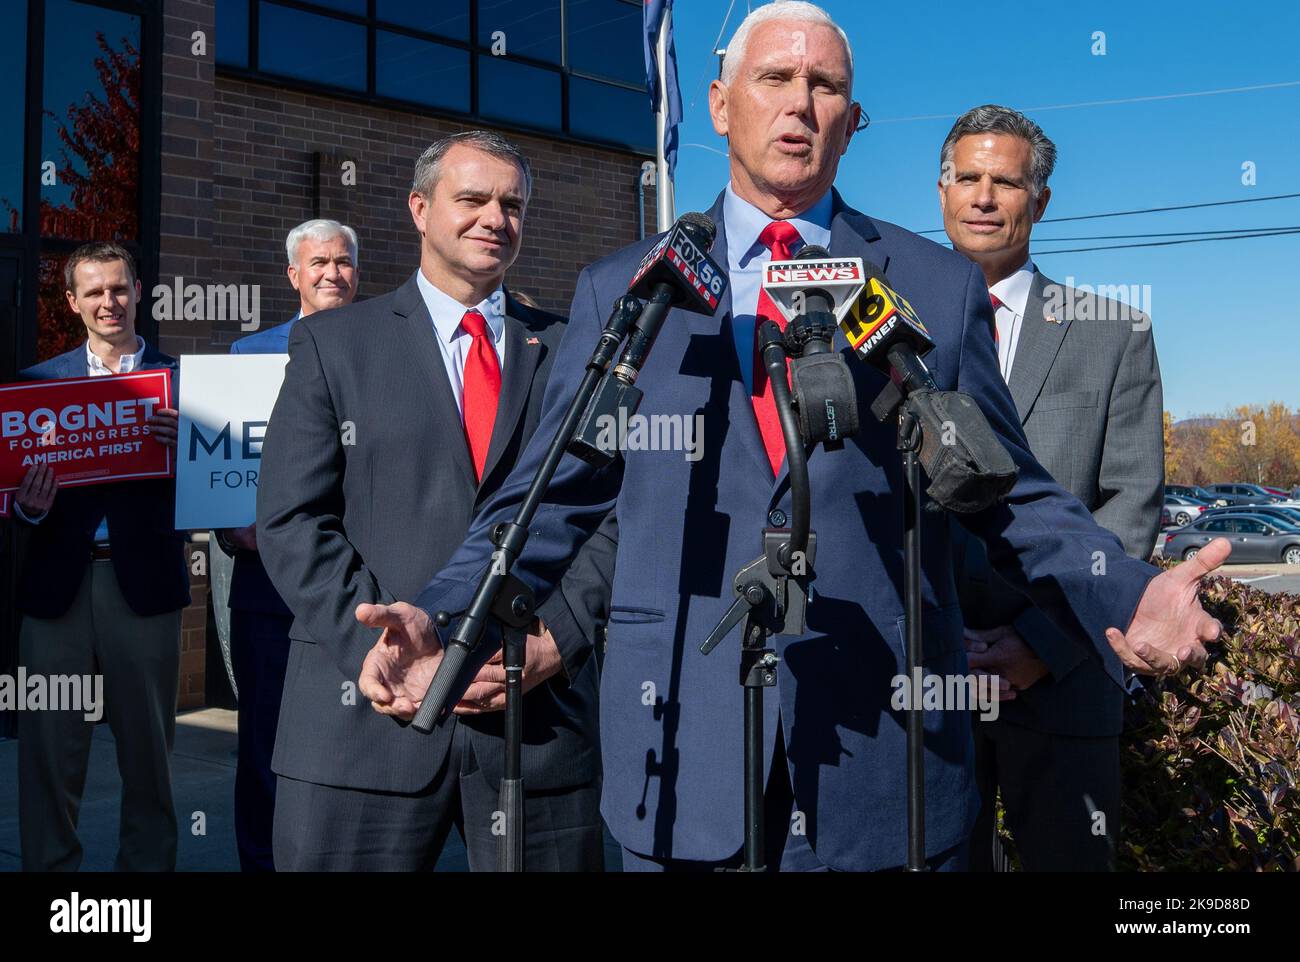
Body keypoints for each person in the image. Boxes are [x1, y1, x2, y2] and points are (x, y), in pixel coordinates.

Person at [357, 2, 1226, 872]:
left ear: (850, 124)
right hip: (679, 759)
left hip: (886, 763)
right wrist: (440, 616)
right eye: (774, 78)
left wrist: (1129, 592)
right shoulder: (625, 288)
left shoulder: (934, 284)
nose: (800, 104)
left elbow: (1009, 493)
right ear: (721, 104)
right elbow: (548, 496)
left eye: (826, 87)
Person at [256, 131, 609, 871]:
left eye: (511, 204)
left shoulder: (576, 350)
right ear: (420, 209)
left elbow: (612, 513)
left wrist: (558, 637)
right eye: (472, 199)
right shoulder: (333, 344)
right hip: (362, 729)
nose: (495, 218)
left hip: (534, 730)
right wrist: (377, 649)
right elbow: (292, 518)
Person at [938, 105, 1164, 871]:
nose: (984, 197)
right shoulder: (886, 332)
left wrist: (1041, 645)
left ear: (1040, 200)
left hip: (1064, 680)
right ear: (941, 192)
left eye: (1006, 182)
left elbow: (1130, 508)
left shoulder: (1112, 331)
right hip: (926, 683)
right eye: (967, 178)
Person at [12, 241, 188, 871]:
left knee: (149, 760)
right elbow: (11, 502)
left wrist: (186, 448)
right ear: (72, 302)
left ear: (140, 291)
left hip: (142, 586)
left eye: (119, 288)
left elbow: (220, 489)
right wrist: (27, 508)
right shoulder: (34, 387)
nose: (108, 302)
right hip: (56, 590)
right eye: (94, 292)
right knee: (48, 757)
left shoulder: (182, 383)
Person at [216, 218, 359, 871]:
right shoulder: (247, 358)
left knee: (354, 752)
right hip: (269, 592)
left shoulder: (389, 348)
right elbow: (223, 469)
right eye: (319, 262)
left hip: (361, 591)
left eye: (344, 262)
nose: (333, 273)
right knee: (265, 750)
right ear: (293, 274)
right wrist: (230, 525)